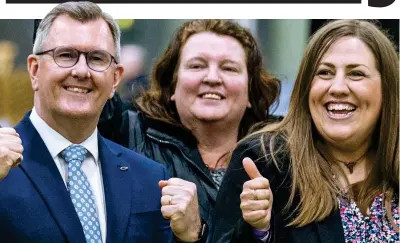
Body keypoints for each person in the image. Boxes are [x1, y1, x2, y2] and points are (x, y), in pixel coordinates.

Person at [0, 2, 195, 242]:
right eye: (65, 55)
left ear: (115, 79)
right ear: (34, 70)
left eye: (97, 58)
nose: (82, 71)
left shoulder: (149, 178)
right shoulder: (3, 168)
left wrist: (192, 236)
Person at [212, 19, 399, 243]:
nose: (337, 87)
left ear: (387, 89)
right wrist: (258, 231)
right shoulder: (264, 162)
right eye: (325, 73)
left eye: (356, 74)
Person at [98, 19, 281, 240]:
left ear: (250, 91)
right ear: (172, 85)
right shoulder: (126, 130)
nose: (212, 78)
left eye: (229, 68)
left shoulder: (279, 156)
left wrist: (261, 230)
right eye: (197, 65)